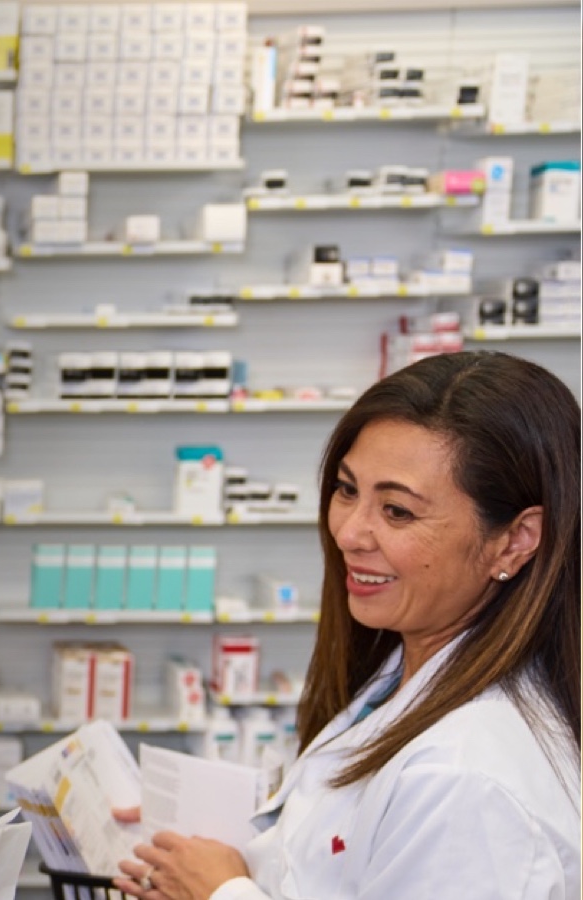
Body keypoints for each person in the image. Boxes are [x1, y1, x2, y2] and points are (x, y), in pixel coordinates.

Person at [113, 351, 580, 900]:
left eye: (398, 511)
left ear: (516, 539)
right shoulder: (404, 676)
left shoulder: (467, 782)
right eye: (347, 489)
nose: (349, 533)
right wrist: (205, 836)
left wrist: (220, 893)